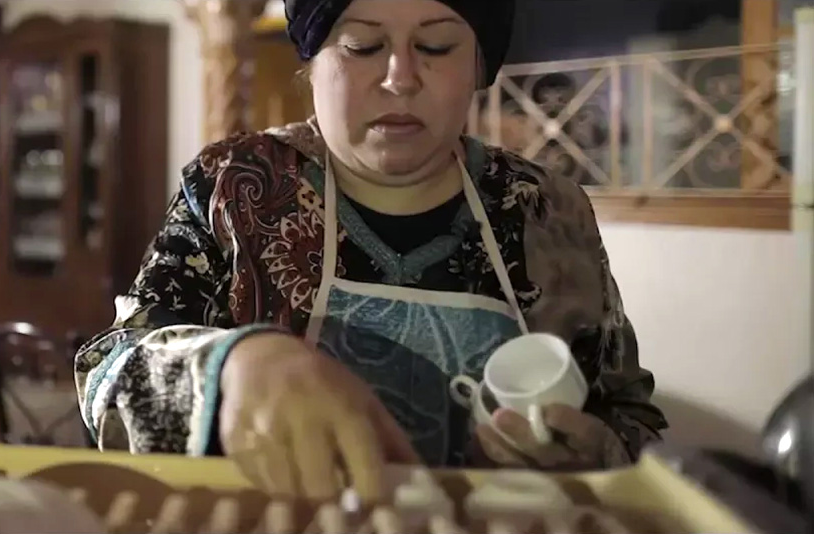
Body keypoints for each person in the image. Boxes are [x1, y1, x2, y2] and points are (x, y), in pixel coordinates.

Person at [75, 0, 667, 501]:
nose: (400, 77)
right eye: (361, 46)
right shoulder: (234, 185)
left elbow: (632, 418)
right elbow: (108, 373)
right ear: (311, 61)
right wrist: (232, 368)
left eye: (436, 47)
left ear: (479, 65)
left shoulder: (545, 208)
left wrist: (595, 458)